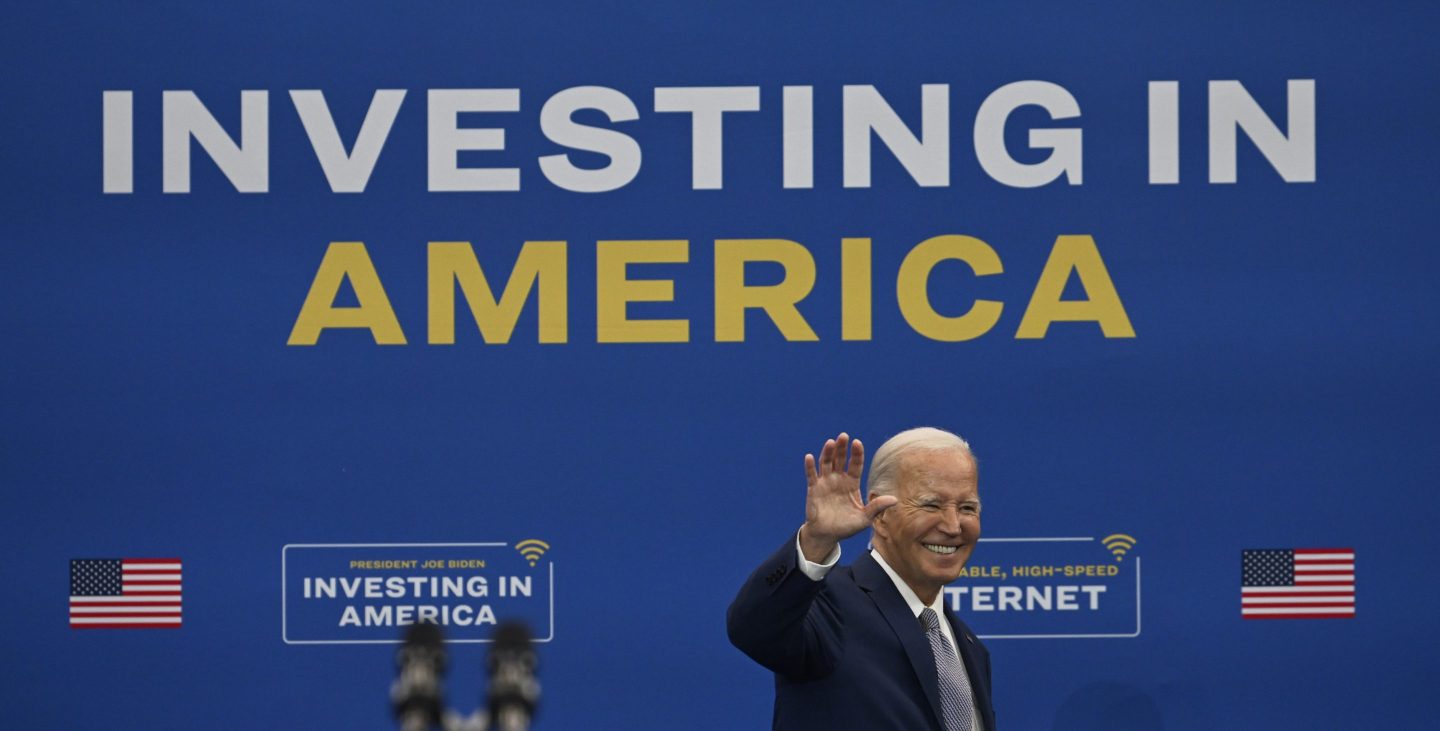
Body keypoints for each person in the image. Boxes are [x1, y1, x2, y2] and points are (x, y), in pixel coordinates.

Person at [727, 428, 995, 731]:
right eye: (931, 505)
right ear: (880, 515)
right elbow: (753, 628)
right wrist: (817, 540)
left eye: (967, 508)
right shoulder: (827, 605)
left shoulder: (969, 646)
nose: (952, 525)